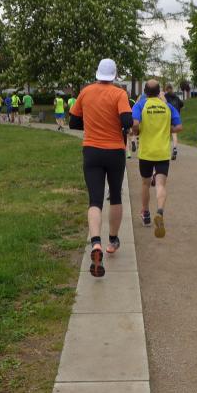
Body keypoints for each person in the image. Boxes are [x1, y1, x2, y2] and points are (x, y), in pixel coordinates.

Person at [68, 58, 133, 278]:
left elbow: (73, 122)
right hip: (115, 151)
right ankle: (112, 241)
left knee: (95, 200)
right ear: (114, 75)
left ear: (97, 73)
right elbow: (127, 121)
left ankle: (95, 243)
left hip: (92, 151)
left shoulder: (85, 92)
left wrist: (92, 123)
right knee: (115, 196)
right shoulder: (119, 94)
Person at [132, 79, 182, 237]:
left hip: (146, 152)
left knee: (145, 183)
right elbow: (179, 127)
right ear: (159, 90)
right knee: (160, 184)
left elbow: (135, 123)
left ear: (145, 92)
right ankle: (160, 211)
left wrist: (137, 132)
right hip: (162, 152)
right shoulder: (168, 107)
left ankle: (146, 213)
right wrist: (167, 130)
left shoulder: (140, 105)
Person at [164, 83, 184, 160]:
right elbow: (182, 105)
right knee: (174, 134)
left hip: (167, 116)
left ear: (166, 89)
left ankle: (166, 151)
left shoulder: (165, 97)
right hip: (176, 117)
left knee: (166, 134)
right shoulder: (176, 97)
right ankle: (175, 148)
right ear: (172, 89)